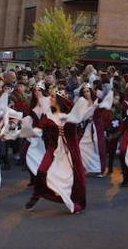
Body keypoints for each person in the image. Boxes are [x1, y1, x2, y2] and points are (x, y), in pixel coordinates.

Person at [24, 86, 88, 214]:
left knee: (74, 177)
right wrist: (25, 132)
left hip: (69, 152)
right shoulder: (48, 115)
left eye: (52, 96)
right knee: (42, 170)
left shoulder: (71, 115)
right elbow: (38, 130)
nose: (50, 98)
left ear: (59, 99)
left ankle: (75, 201)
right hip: (53, 150)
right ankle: (36, 196)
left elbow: (80, 117)